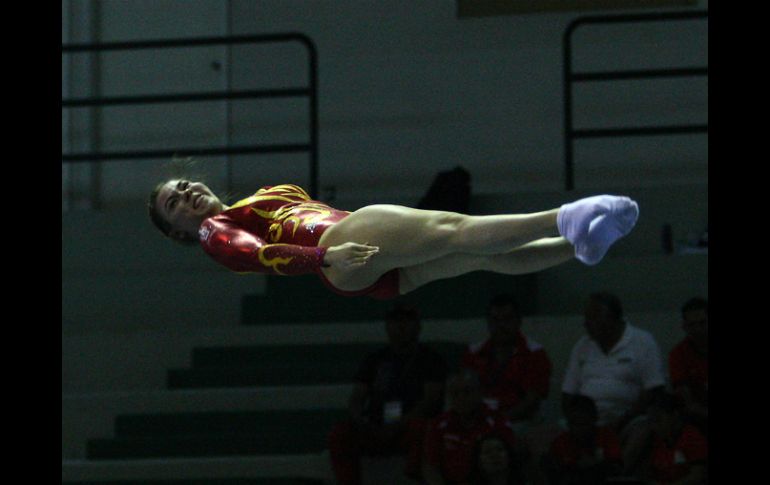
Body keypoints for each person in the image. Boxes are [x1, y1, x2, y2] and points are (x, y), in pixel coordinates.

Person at [148, 176, 639, 299]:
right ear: (177, 232)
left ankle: (578, 245)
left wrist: (327, 256)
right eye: (175, 202)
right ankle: (565, 217)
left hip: (358, 269)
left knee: (476, 255)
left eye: (184, 184)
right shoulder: (215, 232)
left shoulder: (267, 195)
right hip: (338, 248)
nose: (186, 192)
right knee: (455, 229)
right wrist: (321, 254)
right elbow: (259, 256)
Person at [327, 304, 447, 484]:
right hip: (375, 427)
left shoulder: (431, 359)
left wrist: (399, 424)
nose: (401, 327)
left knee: (424, 429)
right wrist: (361, 421)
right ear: (387, 326)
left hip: (407, 427)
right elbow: (357, 397)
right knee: (340, 433)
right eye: (395, 321)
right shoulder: (375, 359)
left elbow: (431, 400)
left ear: (418, 325)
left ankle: (413, 478)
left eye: (406, 321)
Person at [561, 292, 666, 476]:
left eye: (592, 318)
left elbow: (654, 389)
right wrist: (577, 421)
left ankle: (612, 474)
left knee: (645, 430)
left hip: (628, 419)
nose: (586, 323)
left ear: (612, 319)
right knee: (543, 436)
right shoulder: (582, 346)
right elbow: (568, 392)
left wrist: (622, 420)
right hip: (587, 422)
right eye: (586, 318)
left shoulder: (642, 341)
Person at [422, 369, 519, 485]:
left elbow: (510, 459)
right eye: (455, 393)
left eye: (467, 392)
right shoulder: (438, 425)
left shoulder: (497, 420)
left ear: (479, 393)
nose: (461, 398)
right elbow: (431, 466)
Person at [543, 394, 623, 485]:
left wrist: (595, 465)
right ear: (568, 423)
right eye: (575, 424)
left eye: (584, 423)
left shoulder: (606, 436)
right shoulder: (561, 442)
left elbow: (616, 467)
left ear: (594, 420)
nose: (580, 429)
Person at [646, 393, 708, 484]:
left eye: (658, 419)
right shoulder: (655, 440)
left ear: (675, 415)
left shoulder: (692, 438)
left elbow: (698, 475)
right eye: (651, 421)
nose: (654, 426)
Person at [668, 298, 708, 437]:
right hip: (697, 418)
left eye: (703, 323)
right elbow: (686, 402)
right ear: (684, 326)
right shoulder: (678, 354)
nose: (698, 330)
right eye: (692, 325)